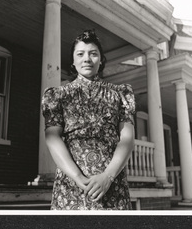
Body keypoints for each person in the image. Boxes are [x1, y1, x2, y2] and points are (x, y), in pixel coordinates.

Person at [42, 29, 136, 210]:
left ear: (100, 60)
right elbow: (52, 138)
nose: (87, 59)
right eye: (80, 54)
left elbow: (127, 139)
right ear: (73, 61)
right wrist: (78, 178)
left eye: (93, 54)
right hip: (71, 187)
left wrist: (107, 177)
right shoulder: (58, 95)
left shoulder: (120, 94)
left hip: (111, 187)